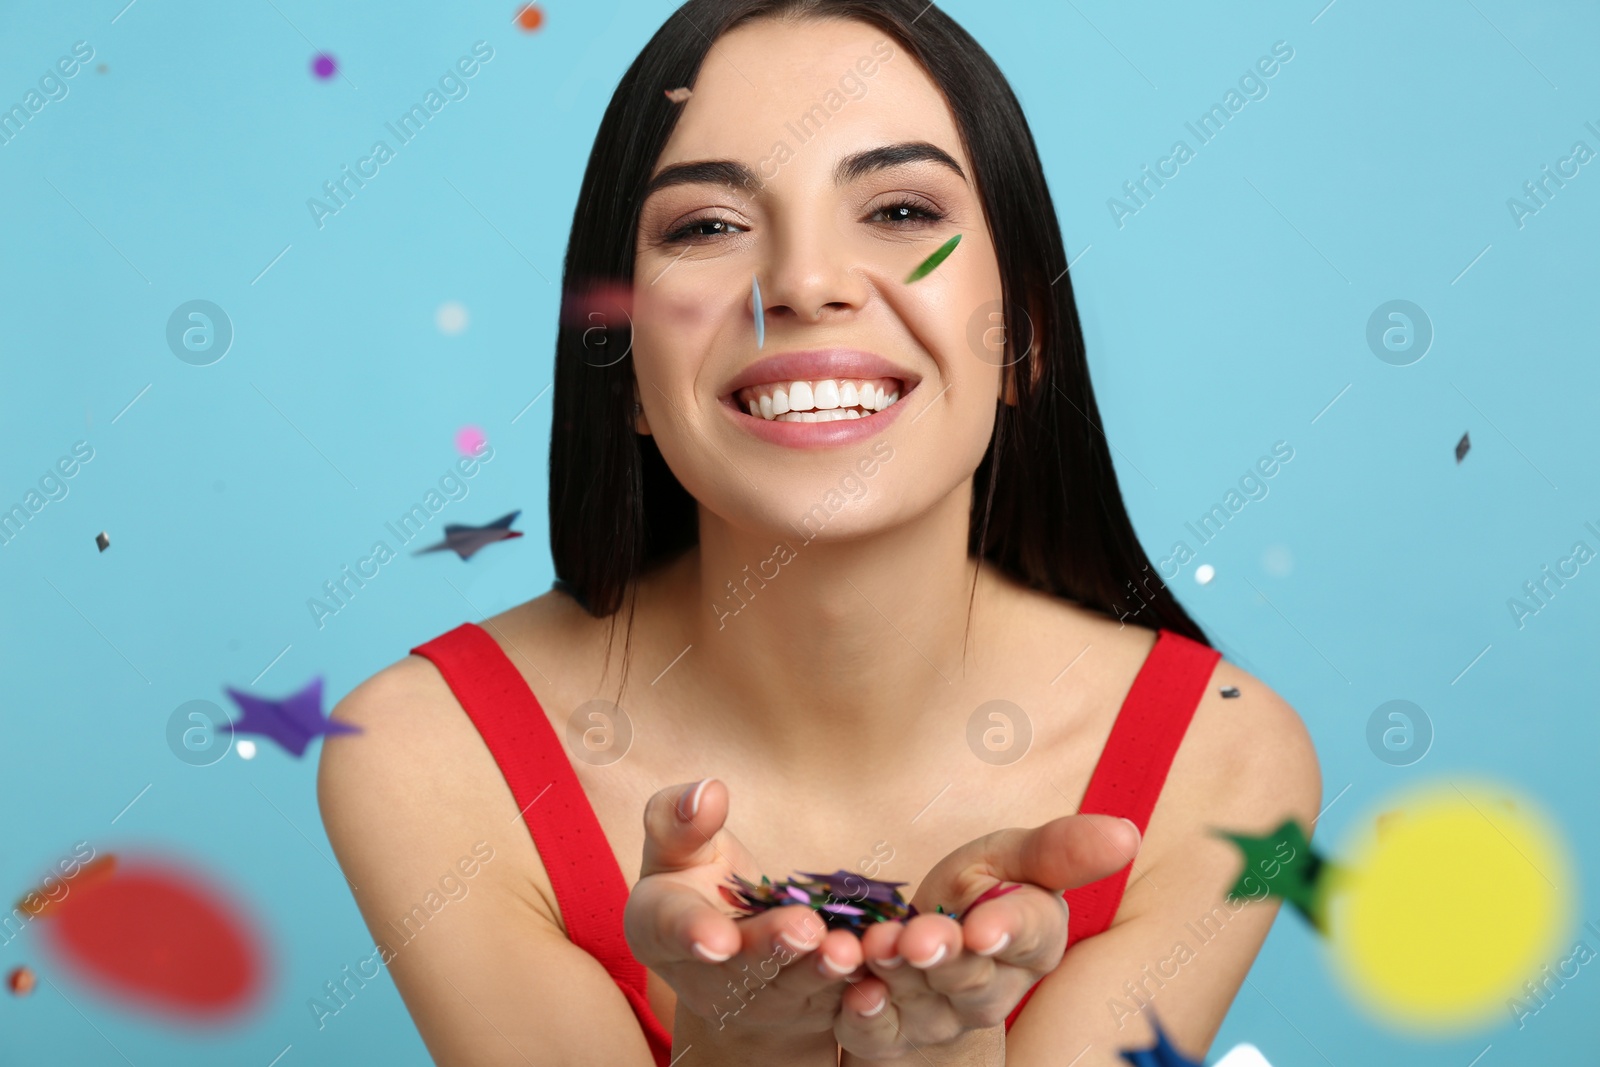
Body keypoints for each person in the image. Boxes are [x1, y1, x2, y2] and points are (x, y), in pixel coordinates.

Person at [317, 1, 1321, 1063]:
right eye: (705, 227)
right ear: (628, 379)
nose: (798, 284)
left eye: (895, 209)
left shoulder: (1220, 766)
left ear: (1023, 331)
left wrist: (947, 1051)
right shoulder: (431, 760)